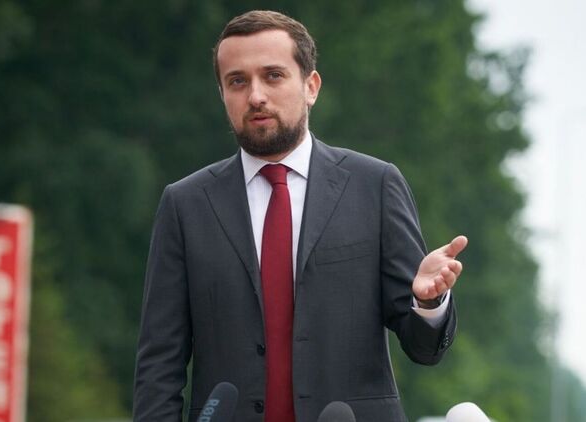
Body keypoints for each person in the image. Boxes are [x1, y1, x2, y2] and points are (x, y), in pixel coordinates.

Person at [133, 10, 467, 422]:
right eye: (237, 81)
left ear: (311, 86)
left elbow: (424, 349)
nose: (256, 96)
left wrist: (428, 302)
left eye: (273, 76)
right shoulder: (185, 204)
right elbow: (159, 364)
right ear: (222, 94)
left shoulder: (375, 185)